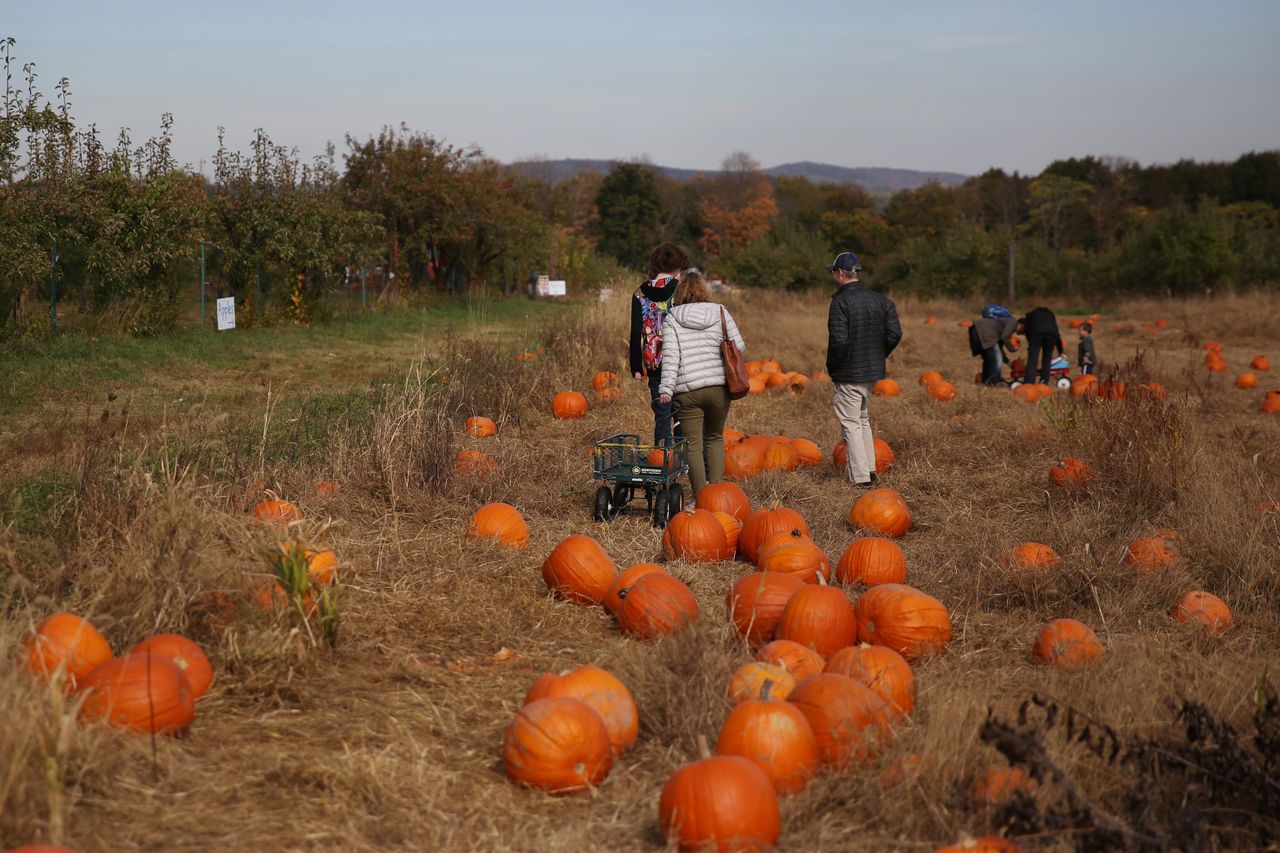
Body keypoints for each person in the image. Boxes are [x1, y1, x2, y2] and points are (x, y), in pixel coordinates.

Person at [656, 270, 745, 498]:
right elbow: (739, 347)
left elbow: (670, 357)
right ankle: (717, 496)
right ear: (704, 290)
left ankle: (702, 499)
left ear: (680, 292)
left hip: (687, 392)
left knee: (693, 446)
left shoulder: (673, 317)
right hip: (718, 389)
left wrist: (665, 389)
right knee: (714, 438)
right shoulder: (720, 312)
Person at [825, 252, 902, 487]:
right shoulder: (881, 299)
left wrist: (833, 366)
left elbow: (839, 340)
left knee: (851, 423)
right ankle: (869, 470)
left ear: (840, 273)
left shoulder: (841, 301)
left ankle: (861, 479)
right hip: (871, 371)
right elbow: (895, 333)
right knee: (862, 419)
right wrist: (878, 355)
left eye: (833, 272)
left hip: (849, 371)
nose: (832, 275)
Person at [629, 243, 689, 445]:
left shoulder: (640, 294)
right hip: (680, 361)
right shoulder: (680, 291)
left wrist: (636, 366)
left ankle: (663, 461)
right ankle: (683, 462)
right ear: (679, 266)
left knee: (662, 414)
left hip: (654, 364)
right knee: (681, 414)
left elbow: (636, 332)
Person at [971, 304, 1018, 386]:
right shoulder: (1012, 322)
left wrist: (1007, 361)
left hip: (976, 331)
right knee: (996, 360)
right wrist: (1011, 348)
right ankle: (993, 383)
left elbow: (998, 348)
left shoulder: (997, 326)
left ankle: (986, 381)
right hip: (984, 334)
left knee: (989, 358)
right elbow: (1005, 337)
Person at [1016, 306, 1064, 386]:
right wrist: (1060, 350)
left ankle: (1029, 383)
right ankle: (1043, 383)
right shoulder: (1050, 314)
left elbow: (1027, 329)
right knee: (1047, 360)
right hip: (1051, 335)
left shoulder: (1030, 314)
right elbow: (1056, 331)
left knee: (1032, 360)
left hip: (1036, 334)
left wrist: (1030, 343)